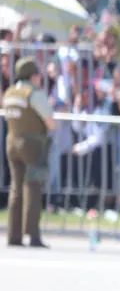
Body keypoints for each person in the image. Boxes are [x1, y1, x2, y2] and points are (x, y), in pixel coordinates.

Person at [3, 57, 56, 248]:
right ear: (33, 76)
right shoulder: (34, 93)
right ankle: (33, 235)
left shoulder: (9, 92)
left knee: (15, 190)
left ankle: (13, 236)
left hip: (11, 143)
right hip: (32, 145)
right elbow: (50, 121)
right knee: (32, 188)